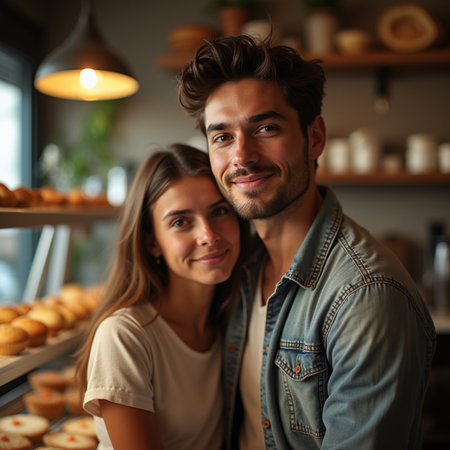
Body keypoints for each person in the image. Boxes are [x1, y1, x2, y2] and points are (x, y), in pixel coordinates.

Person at [178, 35, 437, 449]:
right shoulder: (234, 266)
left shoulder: (366, 296)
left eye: (265, 128)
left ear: (314, 137)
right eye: (222, 137)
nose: (241, 156)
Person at [75, 144, 248, 450]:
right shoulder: (125, 337)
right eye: (181, 222)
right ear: (152, 242)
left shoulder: (234, 317)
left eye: (219, 211)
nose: (208, 234)